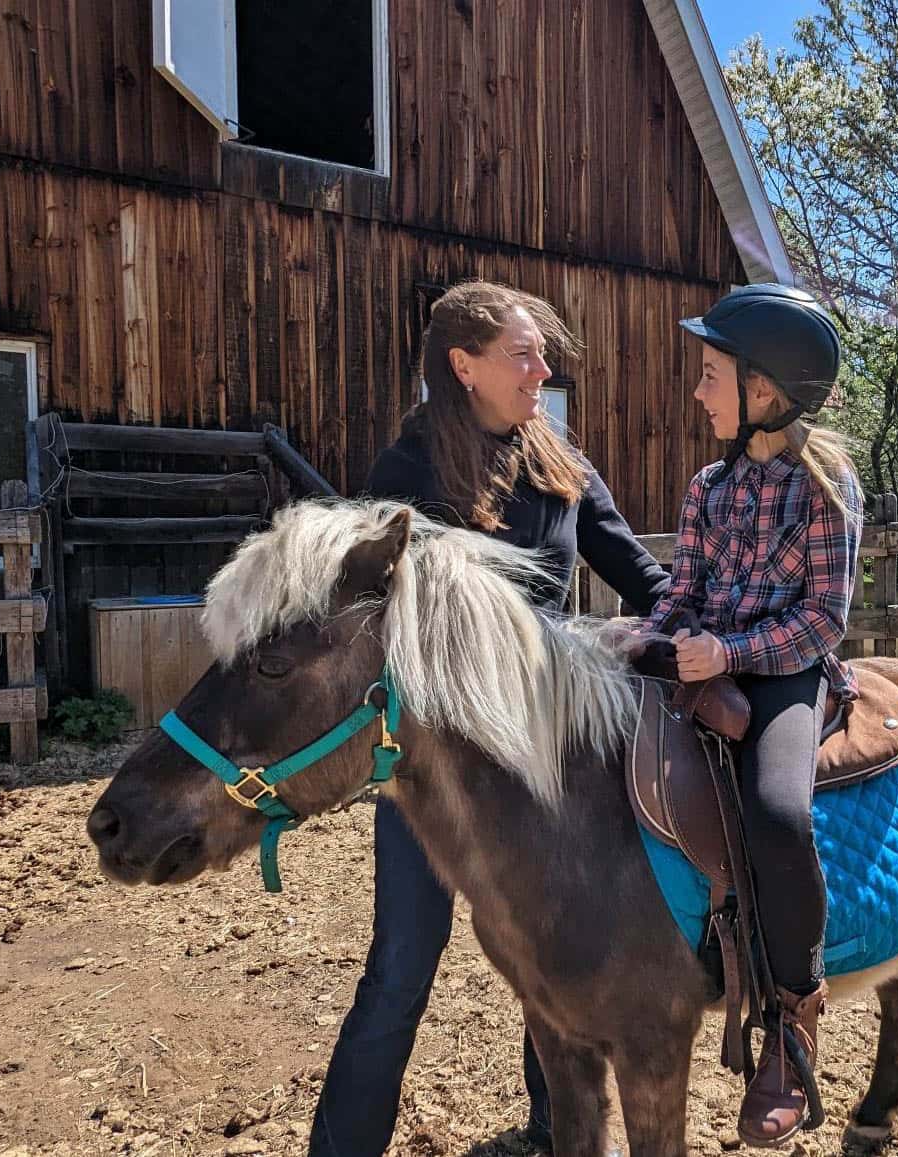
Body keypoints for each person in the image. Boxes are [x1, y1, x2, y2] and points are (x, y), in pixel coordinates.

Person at [311, 280, 670, 1157]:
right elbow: (383, 622)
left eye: (543, 355)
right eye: (524, 354)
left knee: (559, 949)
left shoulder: (559, 462)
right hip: (439, 764)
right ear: (464, 366)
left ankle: (558, 1125)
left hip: (546, 756)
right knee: (402, 963)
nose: (543, 371)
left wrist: (708, 632)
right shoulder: (406, 475)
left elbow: (638, 571)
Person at [643, 284, 864, 1147]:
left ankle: (793, 1017)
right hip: (702, 657)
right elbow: (682, 589)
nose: (699, 391)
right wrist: (650, 638)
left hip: (783, 672)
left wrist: (729, 653)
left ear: (762, 389)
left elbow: (823, 620)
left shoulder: (826, 488)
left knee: (777, 813)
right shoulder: (708, 486)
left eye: (712, 375)